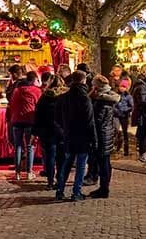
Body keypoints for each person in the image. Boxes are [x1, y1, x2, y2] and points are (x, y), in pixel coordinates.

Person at [55, 71, 97, 202]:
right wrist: (93, 139)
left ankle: (60, 191)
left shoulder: (64, 97)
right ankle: (76, 192)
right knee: (80, 165)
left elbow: (57, 116)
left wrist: (65, 127)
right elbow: (90, 121)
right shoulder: (85, 98)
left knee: (66, 164)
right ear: (84, 81)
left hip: (69, 134)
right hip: (82, 136)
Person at [34, 72, 67, 189]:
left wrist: (36, 132)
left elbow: (38, 114)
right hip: (62, 131)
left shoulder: (45, 97)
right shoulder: (65, 97)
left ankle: (50, 180)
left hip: (47, 131)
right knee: (61, 158)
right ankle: (60, 179)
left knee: (50, 157)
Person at [7, 70, 41, 180]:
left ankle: (17, 173)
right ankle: (29, 172)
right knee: (30, 146)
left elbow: (11, 104)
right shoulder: (36, 91)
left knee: (18, 146)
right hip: (30, 121)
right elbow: (38, 105)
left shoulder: (16, 90)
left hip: (16, 120)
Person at [89, 75, 119, 198]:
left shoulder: (101, 101)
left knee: (103, 162)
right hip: (107, 132)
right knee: (105, 161)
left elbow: (98, 120)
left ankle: (104, 189)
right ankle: (103, 187)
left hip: (102, 134)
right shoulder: (109, 97)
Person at [113, 79, 134, 156]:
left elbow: (131, 106)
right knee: (116, 129)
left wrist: (125, 110)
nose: (122, 88)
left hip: (124, 116)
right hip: (116, 115)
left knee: (125, 132)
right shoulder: (116, 95)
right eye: (121, 86)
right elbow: (113, 104)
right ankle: (117, 145)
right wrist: (116, 110)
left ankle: (126, 149)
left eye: (124, 87)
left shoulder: (128, 97)